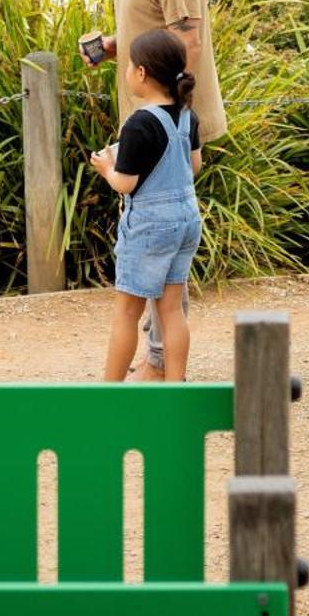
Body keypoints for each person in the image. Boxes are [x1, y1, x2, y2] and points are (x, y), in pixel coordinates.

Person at [82, 0, 227, 379]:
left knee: (156, 252)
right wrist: (115, 46)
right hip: (150, 113)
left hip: (168, 116)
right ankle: (160, 361)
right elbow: (157, 28)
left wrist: (172, 122)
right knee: (161, 260)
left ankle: (160, 364)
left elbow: (185, 41)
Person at [91, 28, 204, 383]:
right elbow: (194, 164)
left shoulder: (139, 123)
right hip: (186, 219)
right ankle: (174, 389)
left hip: (151, 225)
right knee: (171, 309)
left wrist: (106, 167)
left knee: (127, 310)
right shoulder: (188, 115)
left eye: (129, 65)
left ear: (141, 73)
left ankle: (109, 394)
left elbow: (126, 183)